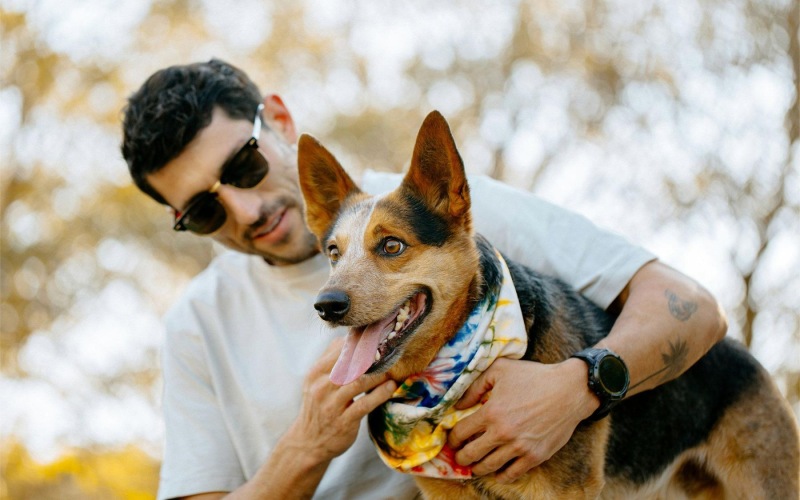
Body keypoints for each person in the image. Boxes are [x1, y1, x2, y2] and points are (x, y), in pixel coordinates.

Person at [121, 59, 727, 500]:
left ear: (278, 118)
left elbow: (693, 308)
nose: (246, 210)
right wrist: (304, 450)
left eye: (244, 164)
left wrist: (577, 387)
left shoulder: (449, 214)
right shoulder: (197, 324)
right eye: (203, 210)